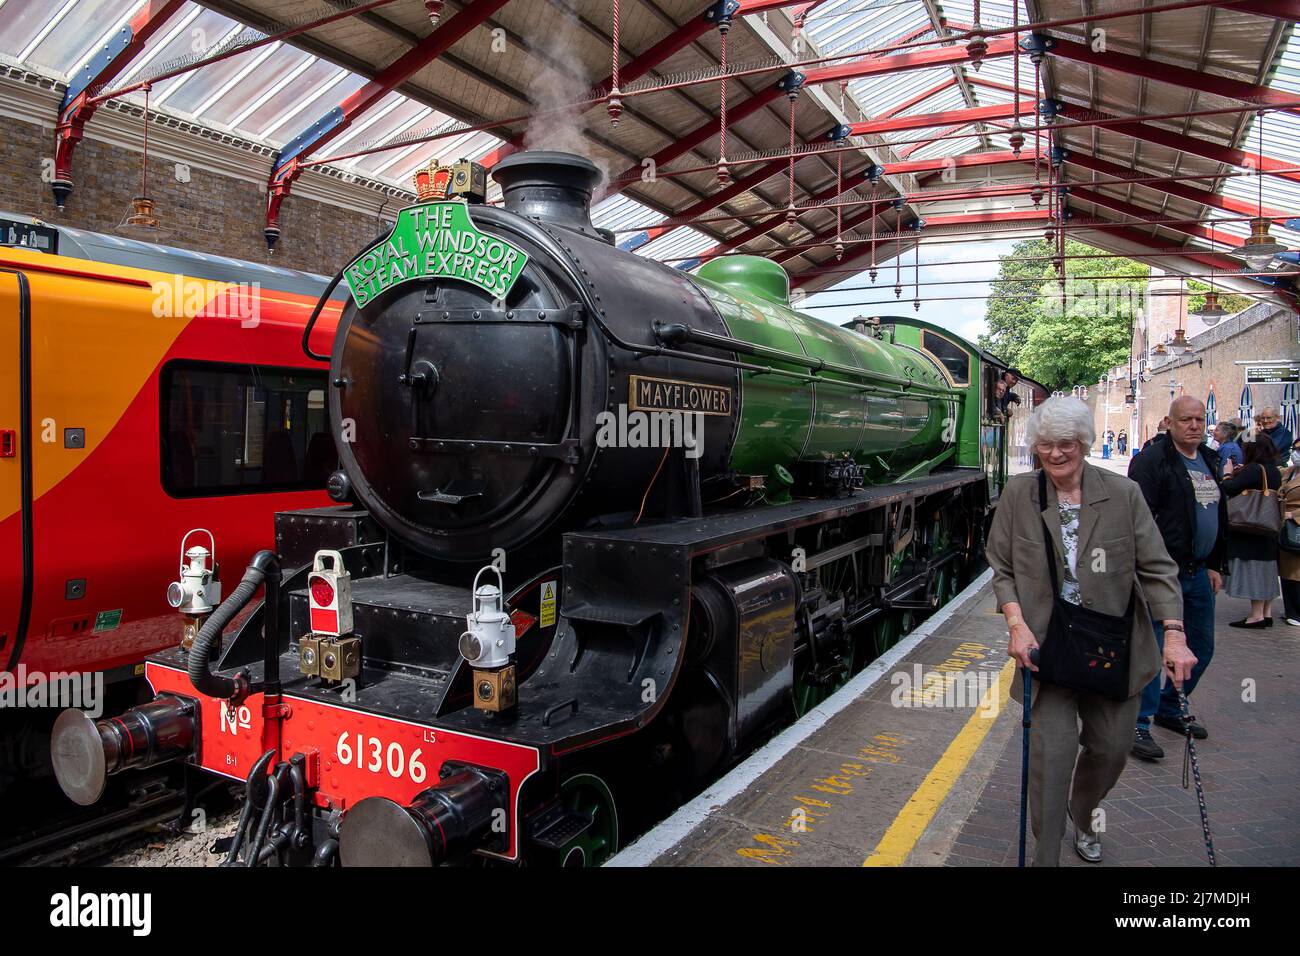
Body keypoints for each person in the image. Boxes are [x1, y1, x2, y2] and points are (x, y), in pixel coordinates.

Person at [987, 397, 1191, 866]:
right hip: (1048, 651)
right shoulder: (1020, 494)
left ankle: (1085, 812)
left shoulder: (1123, 495)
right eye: (1044, 447)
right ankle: (1046, 855)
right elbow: (1001, 567)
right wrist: (1016, 626)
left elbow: (1158, 568)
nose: (1055, 455)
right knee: (1050, 763)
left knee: (1113, 748)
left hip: (1113, 648)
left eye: (1065, 446)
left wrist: (1174, 635)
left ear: (1084, 444)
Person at [1127, 396, 1226, 759]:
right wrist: (1147, 569)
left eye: (1200, 419)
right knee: (1153, 651)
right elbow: (1138, 519)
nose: (1195, 426)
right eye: (1187, 420)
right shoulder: (1151, 462)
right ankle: (1139, 723)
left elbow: (1218, 513)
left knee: (1201, 645)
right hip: (1161, 572)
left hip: (1198, 571)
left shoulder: (1210, 460)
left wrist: (1216, 563)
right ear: (1169, 422)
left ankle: (1170, 708)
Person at [1221, 434, 1282, 627]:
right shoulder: (1274, 471)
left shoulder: (1254, 469)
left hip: (1249, 527)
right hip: (1268, 526)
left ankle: (1256, 616)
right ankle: (1266, 613)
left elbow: (1229, 488)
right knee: (1267, 569)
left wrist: (1228, 473)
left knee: (1253, 568)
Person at [1279, 440, 1300, 626]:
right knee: (1287, 571)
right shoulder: (1290, 472)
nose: (1297, 453)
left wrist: (1293, 514)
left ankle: (1297, 612)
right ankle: (1290, 611)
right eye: (1296, 449)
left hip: (1296, 523)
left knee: (1297, 572)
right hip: (1285, 526)